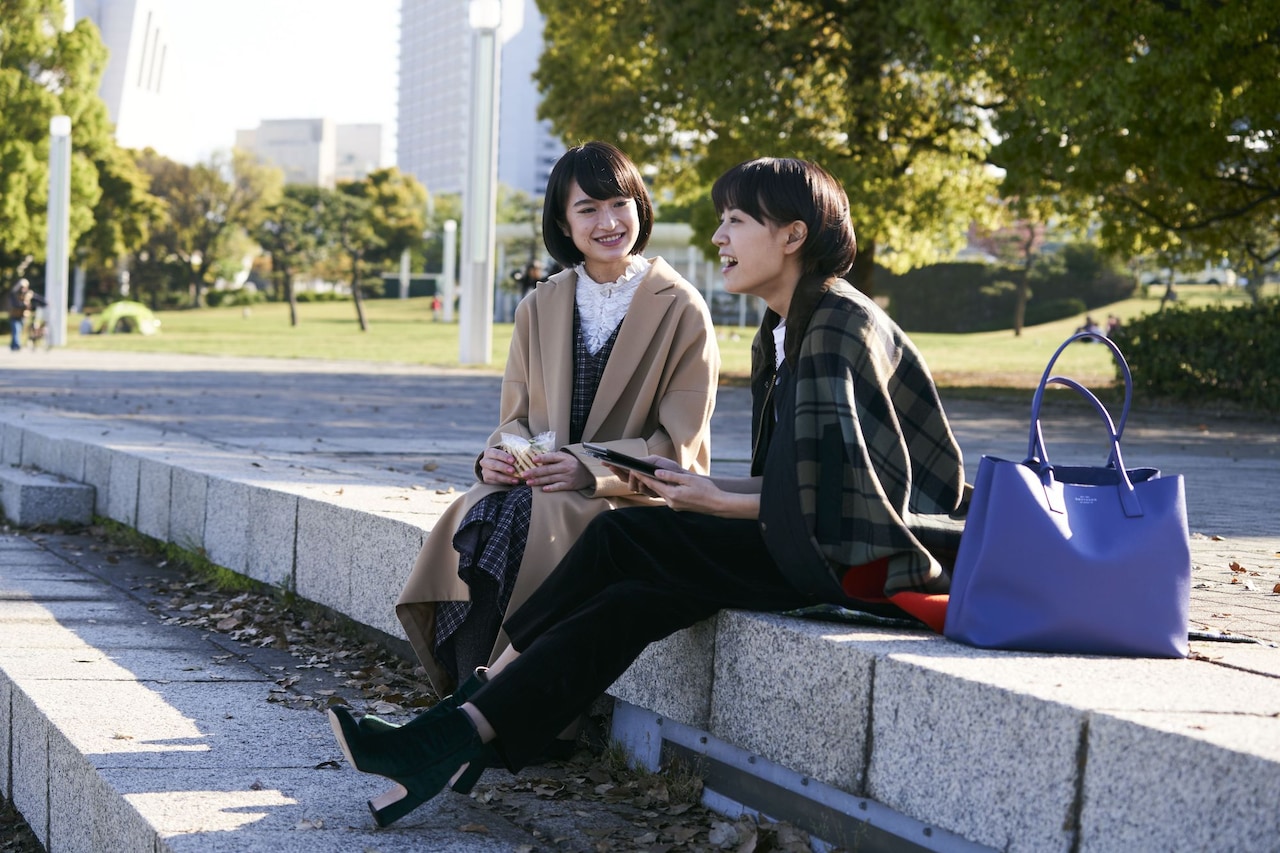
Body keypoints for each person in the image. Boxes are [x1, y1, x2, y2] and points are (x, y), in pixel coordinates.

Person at [328, 157, 967, 827]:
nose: (719, 237)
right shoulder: (786, 326)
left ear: (792, 235)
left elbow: (853, 499)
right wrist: (707, 487)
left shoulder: (836, 325)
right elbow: (796, 480)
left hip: (858, 559)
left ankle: (449, 728)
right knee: (631, 596)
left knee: (620, 538)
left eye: (735, 220)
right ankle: (458, 736)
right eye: (722, 221)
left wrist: (718, 502)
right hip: (806, 539)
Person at [393, 141, 719, 705]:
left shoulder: (681, 306)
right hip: (540, 488)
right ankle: (467, 705)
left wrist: (589, 469)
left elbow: (679, 446)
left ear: (640, 207)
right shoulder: (538, 306)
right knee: (480, 510)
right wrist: (500, 455)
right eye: (588, 209)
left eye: (619, 204)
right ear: (564, 224)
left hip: (630, 498)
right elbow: (515, 419)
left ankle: (483, 712)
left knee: (517, 517)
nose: (608, 222)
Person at [7, 279, 32, 351]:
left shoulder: (28, 294)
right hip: (14, 316)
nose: (23, 288)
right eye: (22, 287)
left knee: (17, 331)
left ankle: (13, 346)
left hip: (22, 317)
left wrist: (45, 303)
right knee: (16, 330)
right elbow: (15, 304)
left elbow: (36, 298)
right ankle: (17, 345)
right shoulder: (14, 294)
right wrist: (24, 305)